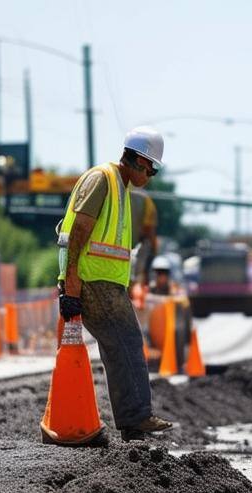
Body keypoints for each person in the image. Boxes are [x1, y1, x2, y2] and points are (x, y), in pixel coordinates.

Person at [56, 126, 175, 441]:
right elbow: (78, 230)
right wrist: (71, 282)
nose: (151, 175)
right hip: (91, 280)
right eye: (151, 168)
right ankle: (136, 418)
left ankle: (133, 422)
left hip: (104, 282)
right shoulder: (102, 180)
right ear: (136, 160)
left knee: (121, 345)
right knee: (126, 342)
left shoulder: (120, 188)